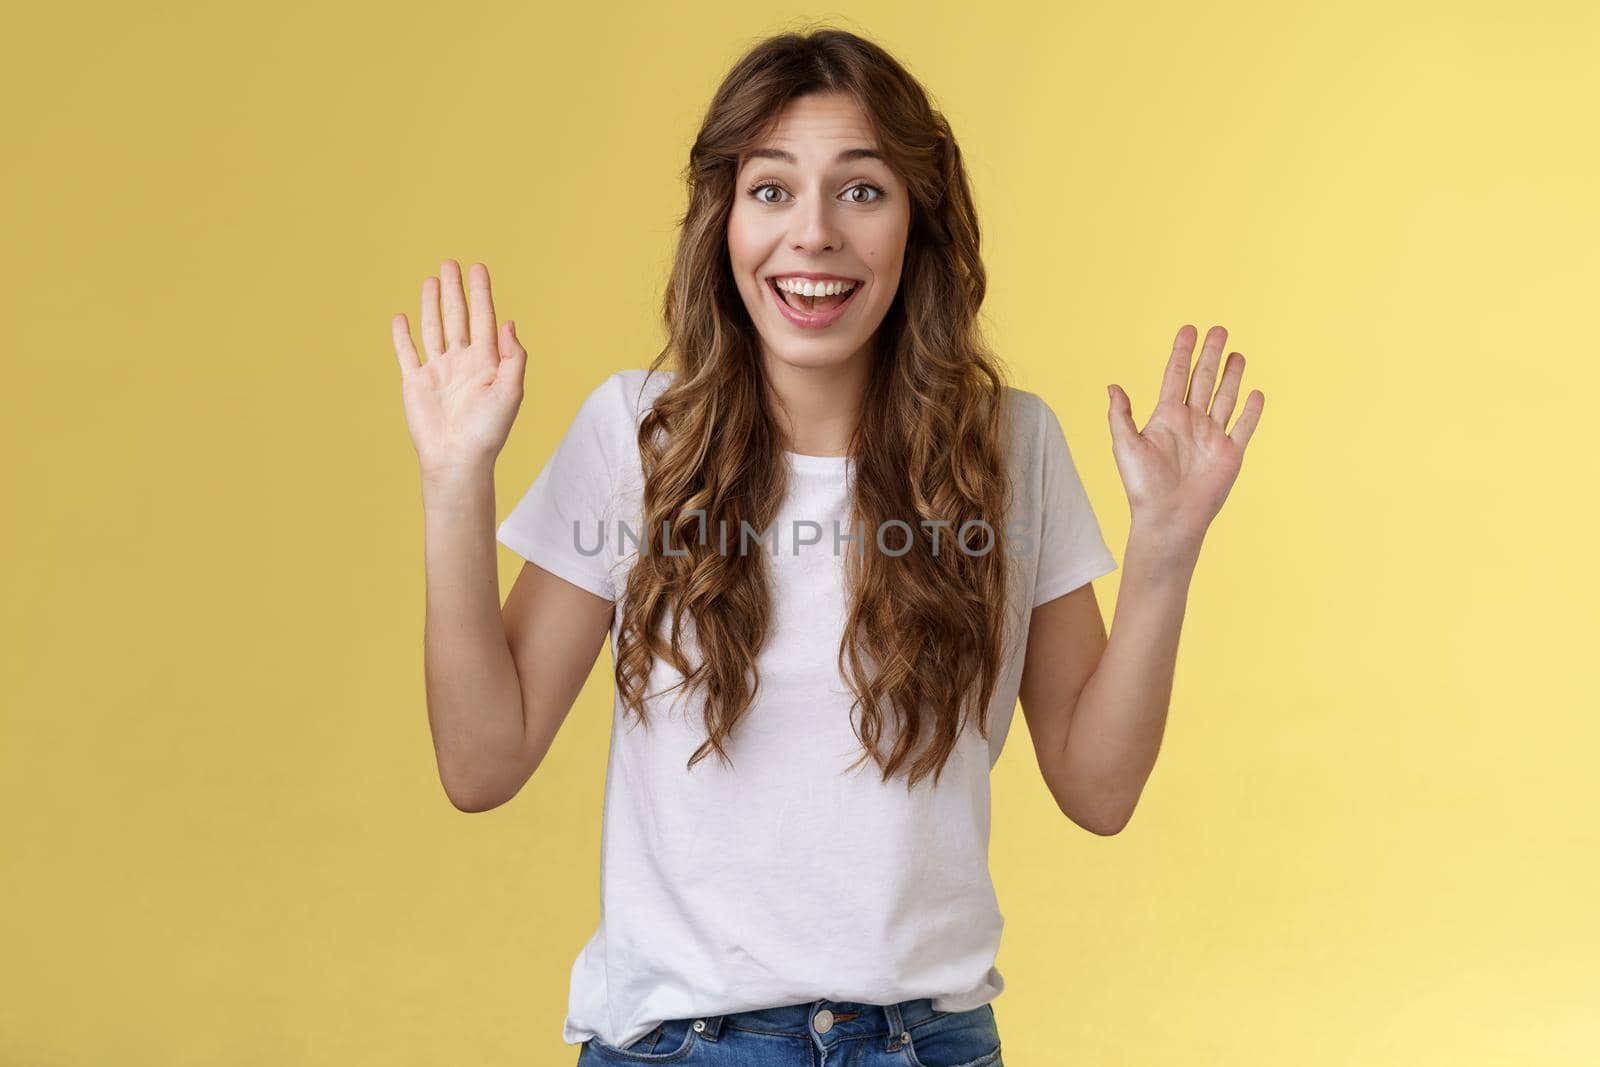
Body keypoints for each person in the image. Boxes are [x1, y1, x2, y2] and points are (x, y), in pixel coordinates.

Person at [389, 27, 1263, 1067]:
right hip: (683, 1044)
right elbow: (481, 761)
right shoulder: (636, 438)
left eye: (860, 190)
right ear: (723, 222)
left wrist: (1164, 550)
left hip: (928, 1041)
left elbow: (1098, 789)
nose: (812, 234)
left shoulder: (1007, 447)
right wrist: (453, 482)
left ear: (917, 224)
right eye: (770, 191)